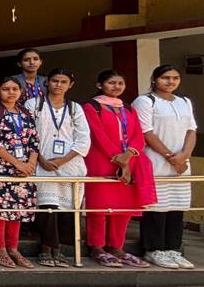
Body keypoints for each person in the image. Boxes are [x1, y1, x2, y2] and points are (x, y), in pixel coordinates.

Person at [82, 69, 156, 267]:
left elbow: (138, 135)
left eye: (120, 83)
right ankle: (97, 246)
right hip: (101, 161)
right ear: (99, 85)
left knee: (123, 207)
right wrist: (119, 158)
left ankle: (117, 247)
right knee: (98, 206)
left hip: (130, 161)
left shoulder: (128, 108)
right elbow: (97, 135)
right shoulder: (91, 107)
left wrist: (129, 155)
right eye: (111, 83)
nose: (116, 87)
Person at [134, 65, 197, 269]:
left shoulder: (184, 102)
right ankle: (153, 250)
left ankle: (172, 249)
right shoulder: (145, 101)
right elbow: (146, 132)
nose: (171, 82)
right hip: (156, 161)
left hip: (181, 163)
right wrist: (171, 157)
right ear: (154, 79)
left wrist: (184, 156)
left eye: (175, 78)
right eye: (165, 78)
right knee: (156, 207)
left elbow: (191, 130)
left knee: (177, 205)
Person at [30, 68, 89, 268]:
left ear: (70, 85)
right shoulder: (34, 104)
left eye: (64, 82)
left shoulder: (75, 108)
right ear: (47, 81)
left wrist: (63, 160)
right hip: (41, 163)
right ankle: (46, 248)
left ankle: (59, 249)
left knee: (67, 209)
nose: (58, 85)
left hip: (70, 165)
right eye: (55, 81)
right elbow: (27, 135)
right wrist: (41, 159)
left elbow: (83, 139)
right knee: (47, 208)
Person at [0, 77, 40, 268]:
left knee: (18, 209)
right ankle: (0, 248)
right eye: (6, 89)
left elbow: (34, 141)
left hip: (25, 169)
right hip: (1, 168)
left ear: (21, 91)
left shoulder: (26, 113)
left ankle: (14, 248)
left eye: (15, 88)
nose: (11, 92)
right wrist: (17, 164)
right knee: (0, 209)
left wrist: (30, 164)